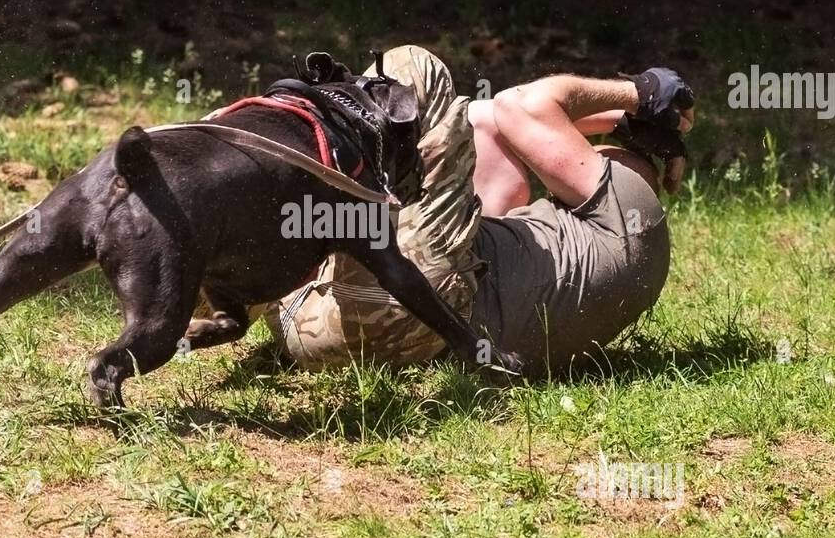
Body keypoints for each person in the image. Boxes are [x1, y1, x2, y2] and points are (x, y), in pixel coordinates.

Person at [262, 45, 696, 375]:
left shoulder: (625, 197)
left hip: (387, 300)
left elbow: (516, 108)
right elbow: (485, 123)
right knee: (489, 151)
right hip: (329, 337)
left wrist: (639, 95)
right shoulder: (627, 249)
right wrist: (620, 121)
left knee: (416, 66)